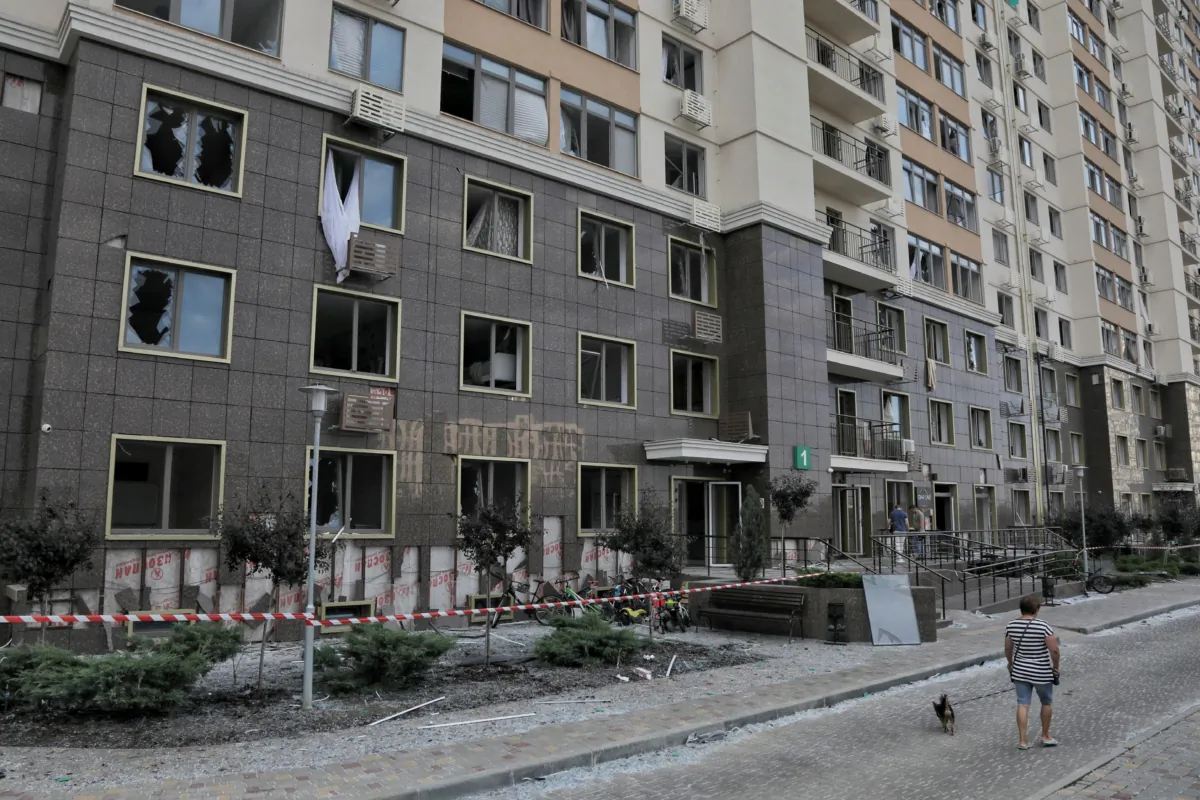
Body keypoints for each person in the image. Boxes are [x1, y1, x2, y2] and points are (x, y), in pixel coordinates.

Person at [1005, 594, 1060, 750]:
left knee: (1022, 704)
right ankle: (1045, 736)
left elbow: (1008, 648)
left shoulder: (1011, 625)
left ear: (1021, 609)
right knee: (1046, 702)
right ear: (1037, 609)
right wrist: (1056, 667)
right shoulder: (1043, 626)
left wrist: (1011, 664)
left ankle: (1023, 741)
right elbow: (1054, 650)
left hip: (1020, 670)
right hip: (1041, 671)